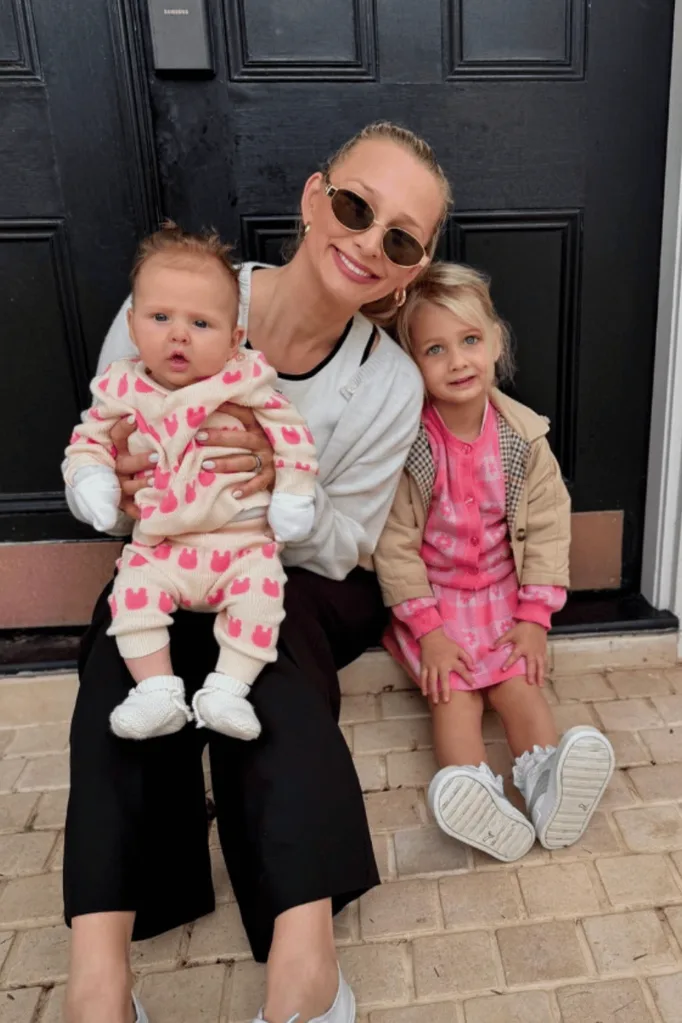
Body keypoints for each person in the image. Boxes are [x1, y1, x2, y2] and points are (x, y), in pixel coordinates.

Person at [63, 122, 451, 1023]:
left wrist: (281, 484)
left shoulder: (388, 382)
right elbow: (112, 469)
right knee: (125, 642)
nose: (366, 242)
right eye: (356, 207)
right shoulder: (177, 297)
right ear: (316, 197)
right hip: (175, 550)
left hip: (315, 572)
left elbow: (349, 538)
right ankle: (97, 981)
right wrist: (122, 488)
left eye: (399, 238)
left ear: (410, 270)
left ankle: (302, 962)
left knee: (268, 639)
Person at [374, 262, 615, 864]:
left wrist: (534, 616)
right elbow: (394, 542)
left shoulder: (523, 440)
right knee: (452, 698)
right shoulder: (413, 447)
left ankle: (545, 784)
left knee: (520, 687)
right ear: (413, 364)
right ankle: (473, 792)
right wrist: (426, 632)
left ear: (496, 342)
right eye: (436, 349)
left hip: (505, 596)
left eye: (470, 341)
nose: (458, 361)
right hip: (438, 603)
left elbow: (550, 528)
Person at [63, 224, 317, 743]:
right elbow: (87, 442)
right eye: (161, 318)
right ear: (133, 327)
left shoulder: (246, 382)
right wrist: (94, 479)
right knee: (131, 596)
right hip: (161, 544)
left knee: (264, 598)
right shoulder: (121, 388)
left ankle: (228, 689)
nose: (178, 334)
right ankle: (156, 690)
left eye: (200, 322)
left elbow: (292, 436)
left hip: (241, 543)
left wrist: (292, 491)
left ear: (233, 338)